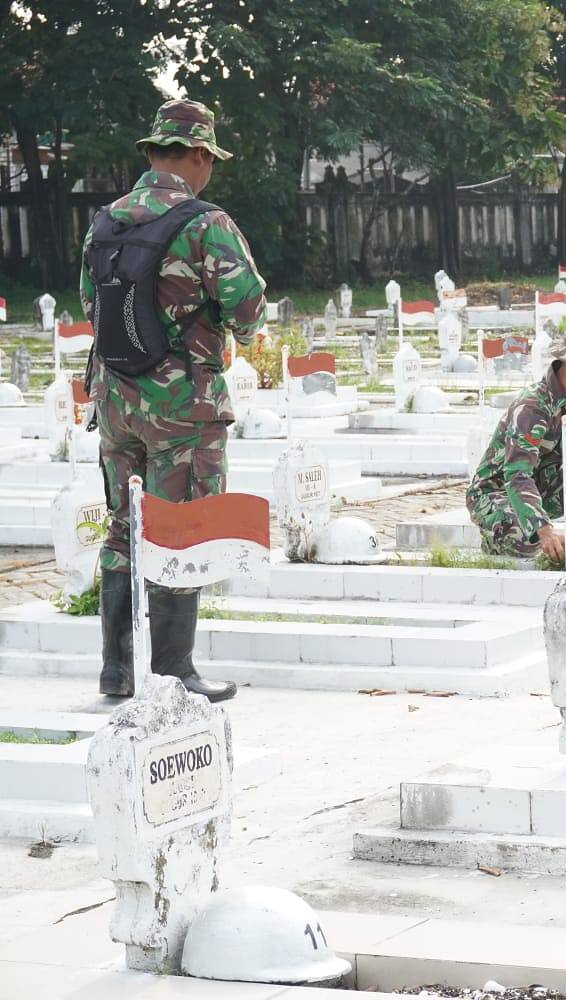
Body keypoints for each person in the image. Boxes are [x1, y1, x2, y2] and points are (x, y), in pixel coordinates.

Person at [82, 100, 265, 702]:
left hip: (115, 398)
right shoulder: (205, 221)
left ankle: (116, 669)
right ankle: (174, 673)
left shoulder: (106, 220)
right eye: (209, 157)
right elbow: (246, 308)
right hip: (183, 407)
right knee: (181, 528)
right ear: (197, 154)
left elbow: (92, 307)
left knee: (121, 529)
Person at [468, 317, 566, 560]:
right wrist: (543, 531)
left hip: (545, 487)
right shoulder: (533, 407)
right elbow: (517, 474)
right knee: (526, 542)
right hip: (497, 494)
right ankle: (497, 536)